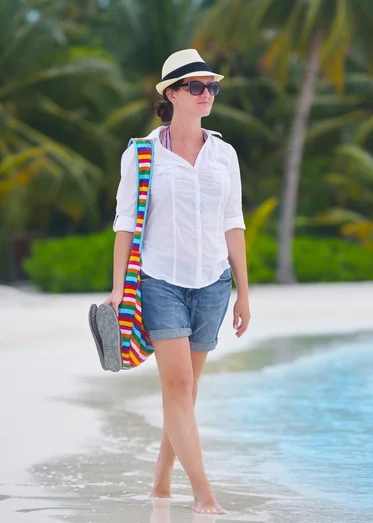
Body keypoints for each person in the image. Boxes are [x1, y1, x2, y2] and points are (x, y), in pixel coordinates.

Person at [106, 48, 250, 515]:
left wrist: (243, 293)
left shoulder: (224, 154)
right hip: (159, 280)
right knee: (177, 384)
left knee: (186, 391)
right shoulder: (142, 153)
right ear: (172, 94)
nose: (207, 94)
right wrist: (115, 288)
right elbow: (125, 221)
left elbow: (234, 221)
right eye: (196, 86)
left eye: (212, 86)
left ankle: (162, 475)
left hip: (213, 282)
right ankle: (204, 495)